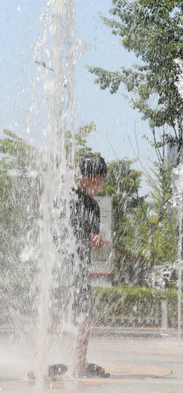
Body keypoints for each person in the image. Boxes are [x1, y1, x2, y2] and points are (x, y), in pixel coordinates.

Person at [44, 154, 109, 379]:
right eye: (98, 180)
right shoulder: (66, 193)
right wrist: (56, 181)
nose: (101, 186)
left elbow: (94, 235)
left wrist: (97, 240)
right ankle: (39, 362)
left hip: (80, 269)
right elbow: (44, 204)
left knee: (84, 318)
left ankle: (80, 364)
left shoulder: (94, 206)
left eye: (103, 181)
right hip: (59, 267)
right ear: (86, 177)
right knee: (52, 315)